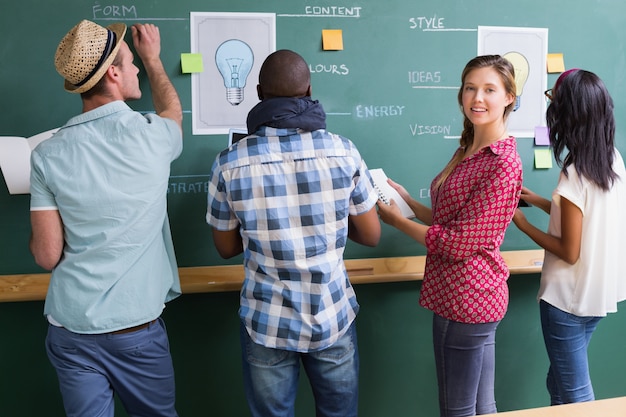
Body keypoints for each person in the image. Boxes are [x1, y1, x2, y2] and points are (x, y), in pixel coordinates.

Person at [206, 49, 381, 417]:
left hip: (266, 320)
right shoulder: (343, 152)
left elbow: (224, 248)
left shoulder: (229, 162)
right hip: (331, 313)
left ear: (257, 92)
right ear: (309, 90)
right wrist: (326, 220)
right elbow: (371, 234)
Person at [29, 20, 183, 416]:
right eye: (131, 64)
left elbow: (47, 256)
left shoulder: (47, 154)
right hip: (135, 331)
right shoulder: (154, 136)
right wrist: (154, 59)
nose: (136, 71)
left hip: (71, 329)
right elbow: (172, 111)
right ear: (113, 73)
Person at [377, 55, 522, 416]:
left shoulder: (502, 162)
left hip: (468, 297)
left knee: (456, 410)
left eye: (490, 89)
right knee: (480, 406)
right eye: (471, 88)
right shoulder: (468, 149)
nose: (477, 98)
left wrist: (397, 222)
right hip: (460, 294)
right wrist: (407, 202)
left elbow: (457, 243)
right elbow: (449, 221)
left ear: (509, 97)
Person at [512, 69, 626, 405]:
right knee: (559, 381)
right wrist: (536, 201)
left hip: (567, 300)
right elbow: (584, 221)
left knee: (576, 393)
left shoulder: (575, 174)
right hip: (596, 295)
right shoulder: (611, 161)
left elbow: (569, 250)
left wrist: (521, 223)